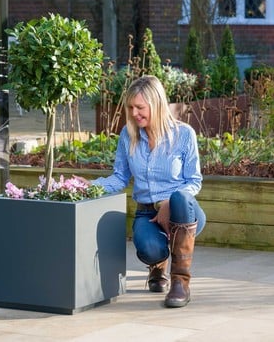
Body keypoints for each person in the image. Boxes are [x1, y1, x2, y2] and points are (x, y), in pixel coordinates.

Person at [78, 75, 206, 308]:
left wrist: (168, 203)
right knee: (148, 249)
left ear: (156, 105)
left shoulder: (184, 134)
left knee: (179, 197)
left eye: (140, 107)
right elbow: (120, 177)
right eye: (131, 107)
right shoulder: (129, 136)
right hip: (147, 213)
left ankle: (181, 283)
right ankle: (158, 265)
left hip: (183, 211)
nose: (134, 113)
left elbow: (194, 181)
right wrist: (91, 186)